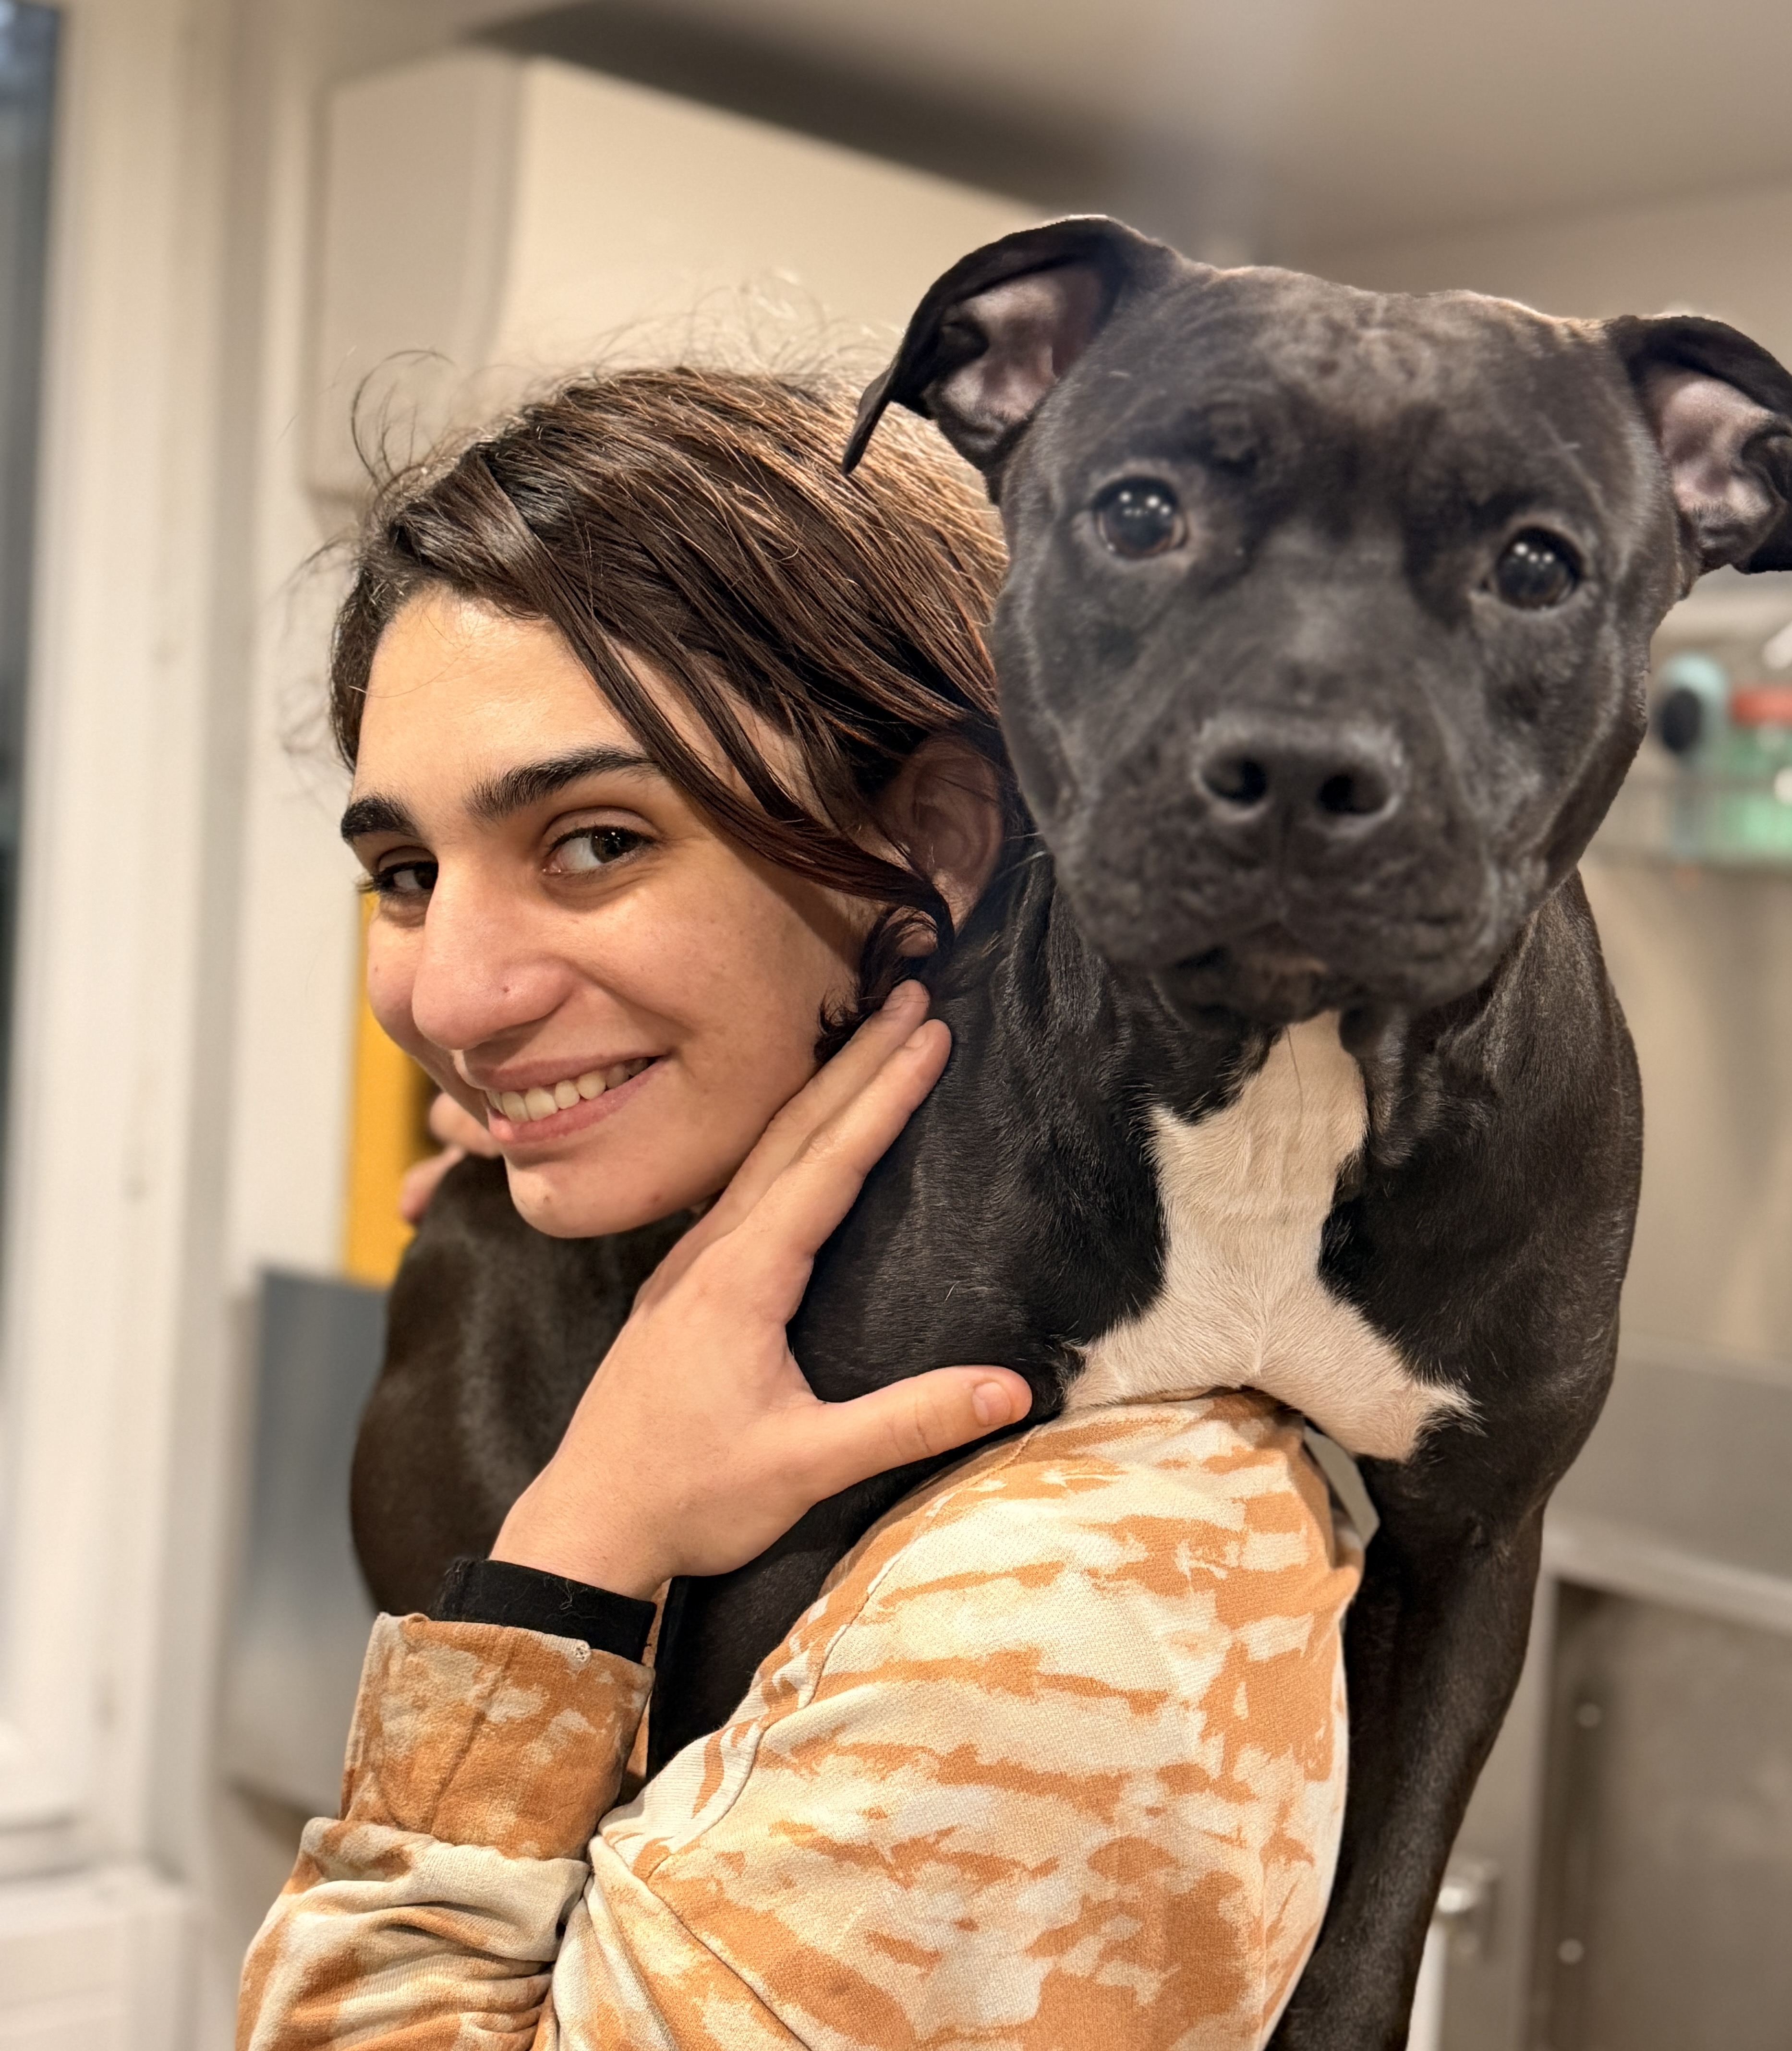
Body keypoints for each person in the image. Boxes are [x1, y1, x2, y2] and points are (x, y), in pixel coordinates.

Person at [238, 367, 1361, 2050]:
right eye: (406, 875)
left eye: (595, 842)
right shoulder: (654, 1335)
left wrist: (577, 1548)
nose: (448, 1000)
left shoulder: (1071, 1593)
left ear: (936, 844)